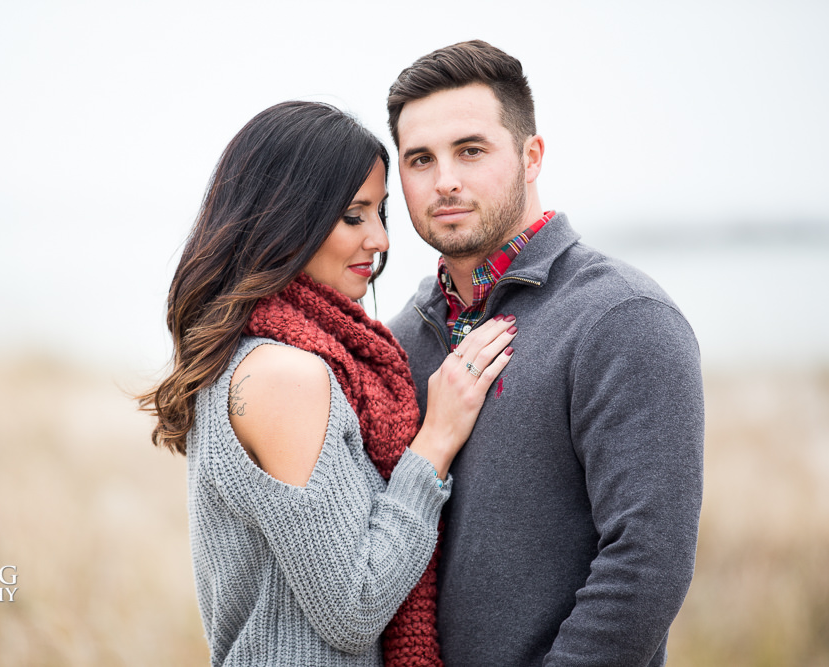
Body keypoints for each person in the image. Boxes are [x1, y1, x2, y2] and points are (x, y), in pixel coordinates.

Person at [139, 100, 518, 666]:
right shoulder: (283, 375)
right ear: (285, 220)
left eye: (381, 213)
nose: (381, 240)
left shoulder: (275, 354)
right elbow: (354, 608)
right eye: (353, 216)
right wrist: (435, 440)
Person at [385, 40, 705, 666]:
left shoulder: (622, 319)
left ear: (532, 156)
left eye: (470, 150)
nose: (444, 179)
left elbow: (646, 563)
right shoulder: (399, 341)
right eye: (420, 159)